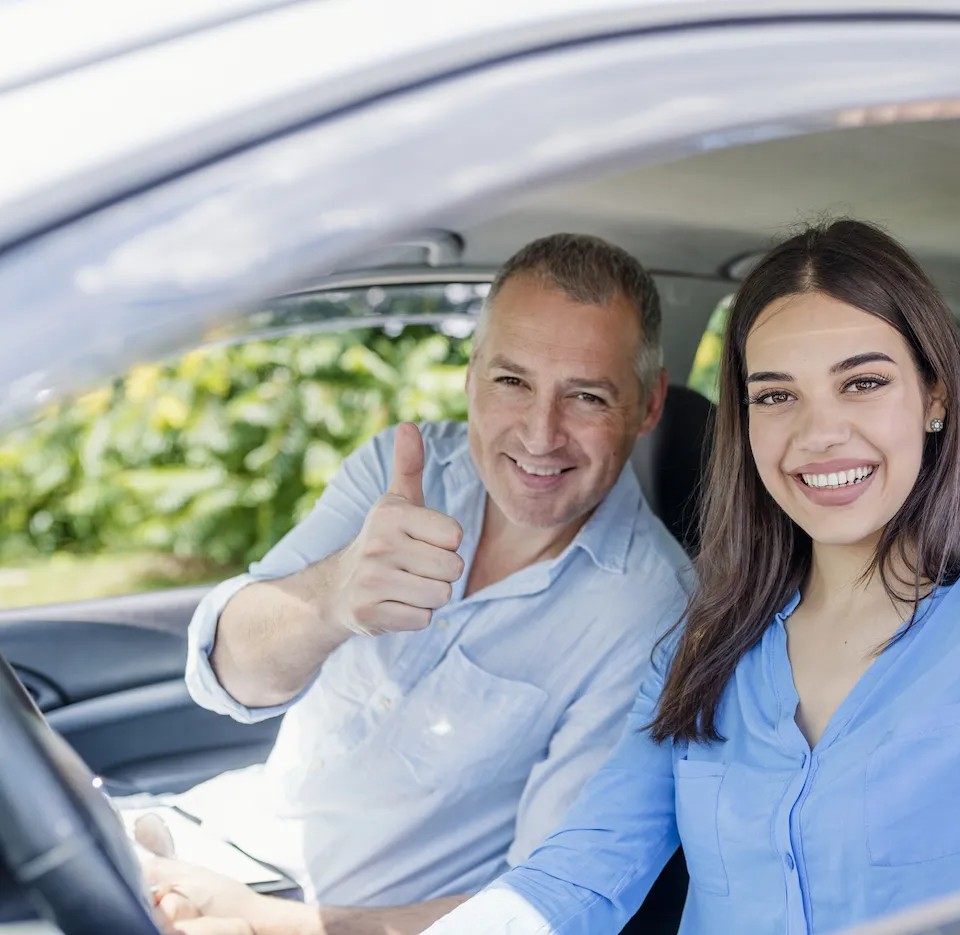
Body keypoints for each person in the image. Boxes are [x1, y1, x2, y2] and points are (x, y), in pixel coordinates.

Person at [158, 151, 960, 935]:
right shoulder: (706, 647)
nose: (817, 433)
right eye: (773, 393)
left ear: (930, 397)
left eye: (860, 381)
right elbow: (572, 887)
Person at [139, 232, 691, 929]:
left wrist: (258, 919)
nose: (540, 433)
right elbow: (227, 675)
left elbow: (543, 901)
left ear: (648, 405)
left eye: (586, 396)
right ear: (472, 376)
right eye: (512, 381)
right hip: (209, 833)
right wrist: (332, 596)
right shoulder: (401, 468)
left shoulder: (653, 614)